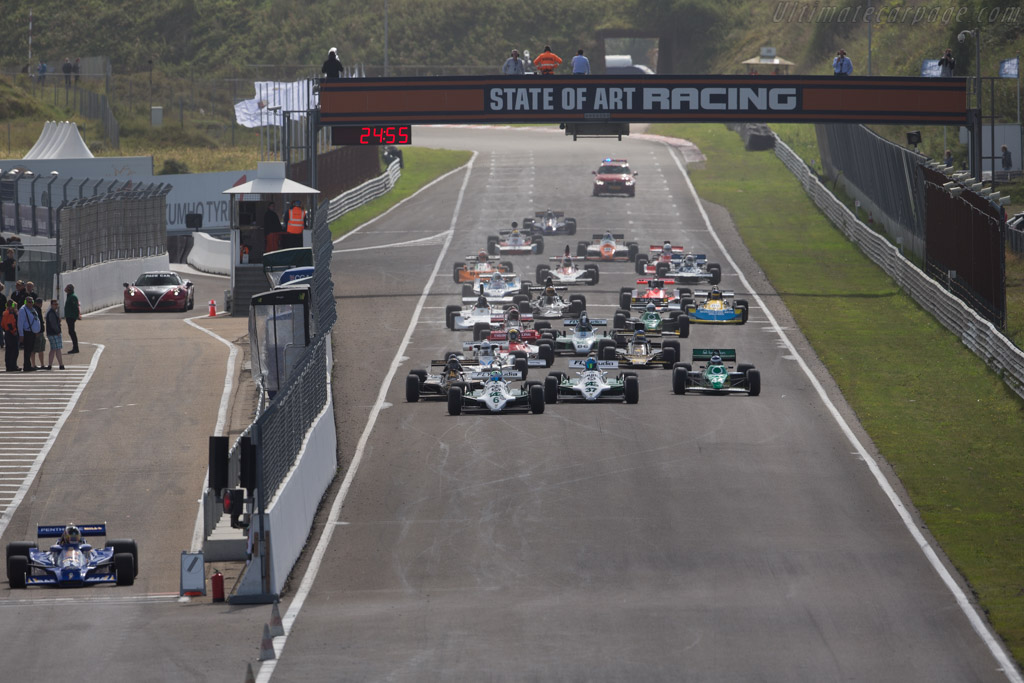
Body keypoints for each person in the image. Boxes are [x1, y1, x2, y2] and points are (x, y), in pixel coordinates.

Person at [17, 296, 41, 371]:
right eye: (29, 302)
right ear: (25, 302)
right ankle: (26, 366)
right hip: (27, 332)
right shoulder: (23, 310)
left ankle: (28, 365)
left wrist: (37, 330)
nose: (31, 303)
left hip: (33, 332)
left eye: (32, 302)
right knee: (27, 350)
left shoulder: (32, 309)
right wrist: (21, 335)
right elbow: (20, 323)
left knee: (30, 349)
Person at [45, 299, 64, 370]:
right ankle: (61, 364)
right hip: (53, 334)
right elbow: (53, 324)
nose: (56, 306)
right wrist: (58, 331)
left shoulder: (53, 312)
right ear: (51, 305)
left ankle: (50, 365)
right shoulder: (51, 313)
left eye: (57, 304)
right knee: (57, 349)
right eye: (55, 304)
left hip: (52, 333)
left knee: (53, 349)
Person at [64, 283, 80, 354]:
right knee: (71, 331)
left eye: (67, 288)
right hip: (69, 316)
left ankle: (75, 348)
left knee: (72, 332)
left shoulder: (72, 297)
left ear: (69, 289)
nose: (65, 289)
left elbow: (75, 307)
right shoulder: (69, 296)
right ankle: (75, 347)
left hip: (71, 316)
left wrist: (76, 316)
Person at [2, 302, 19, 371]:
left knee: (8, 350)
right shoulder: (10, 313)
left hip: (7, 332)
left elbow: (3, 324)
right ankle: (13, 366)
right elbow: (10, 324)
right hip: (11, 333)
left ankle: (9, 366)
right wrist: (14, 331)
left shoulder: (5, 313)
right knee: (14, 351)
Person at [33, 297, 46, 369]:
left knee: (41, 348)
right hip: (37, 331)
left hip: (40, 331)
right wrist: (36, 331)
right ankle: (34, 364)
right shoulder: (35, 310)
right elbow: (35, 321)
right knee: (34, 349)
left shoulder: (37, 309)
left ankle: (42, 364)